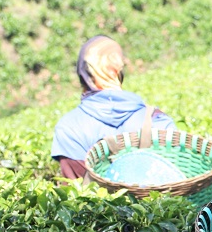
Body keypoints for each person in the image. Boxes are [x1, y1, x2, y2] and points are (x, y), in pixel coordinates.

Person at [51, 35, 175, 179]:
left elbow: (76, 192)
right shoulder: (157, 118)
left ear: (82, 76)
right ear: (119, 72)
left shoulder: (69, 128)